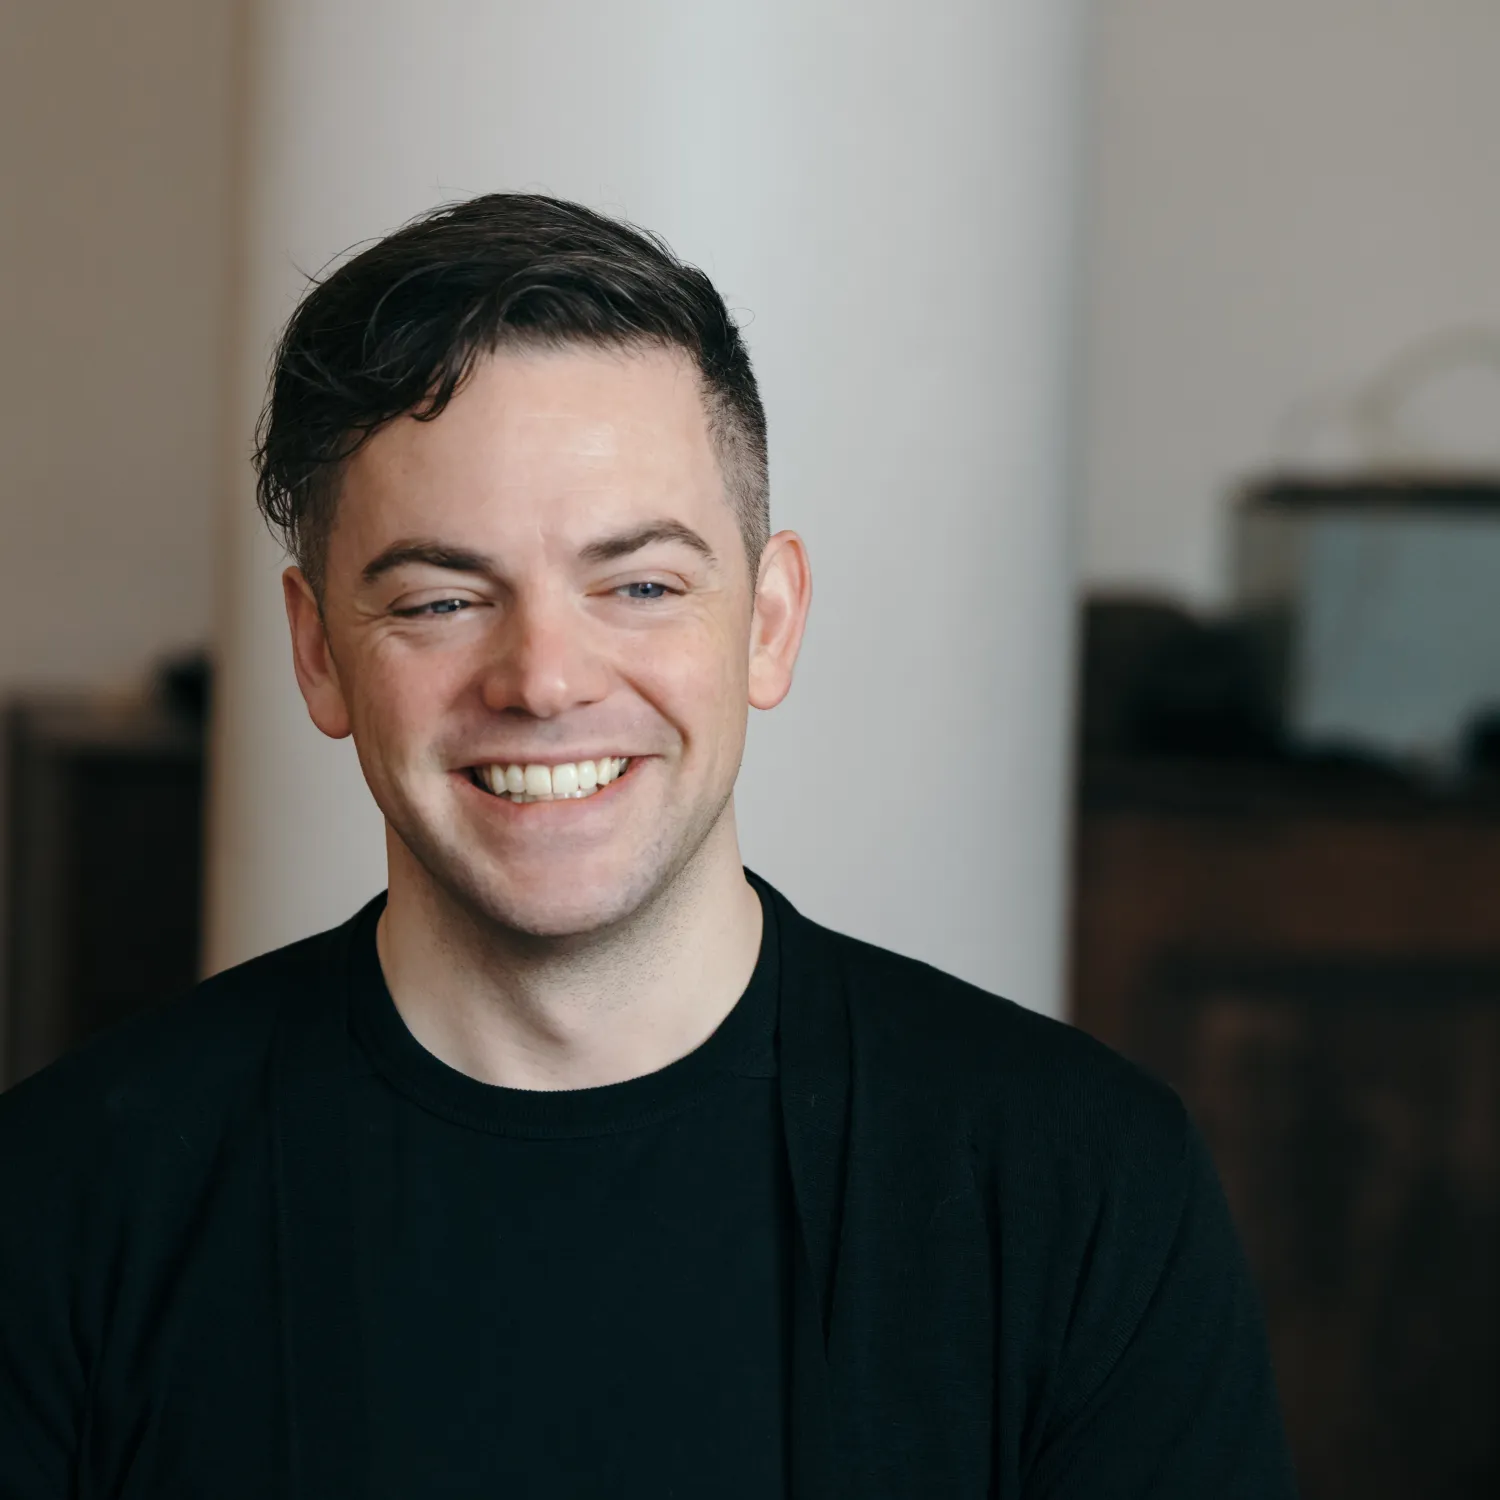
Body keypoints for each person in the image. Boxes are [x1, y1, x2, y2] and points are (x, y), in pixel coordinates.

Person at [0, 193, 1296, 1498]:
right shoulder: (61, 1200)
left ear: (769, 623)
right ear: (318, 653)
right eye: (442, 599)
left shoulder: (1084, 1187)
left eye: (640, 586)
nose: (544, 679)